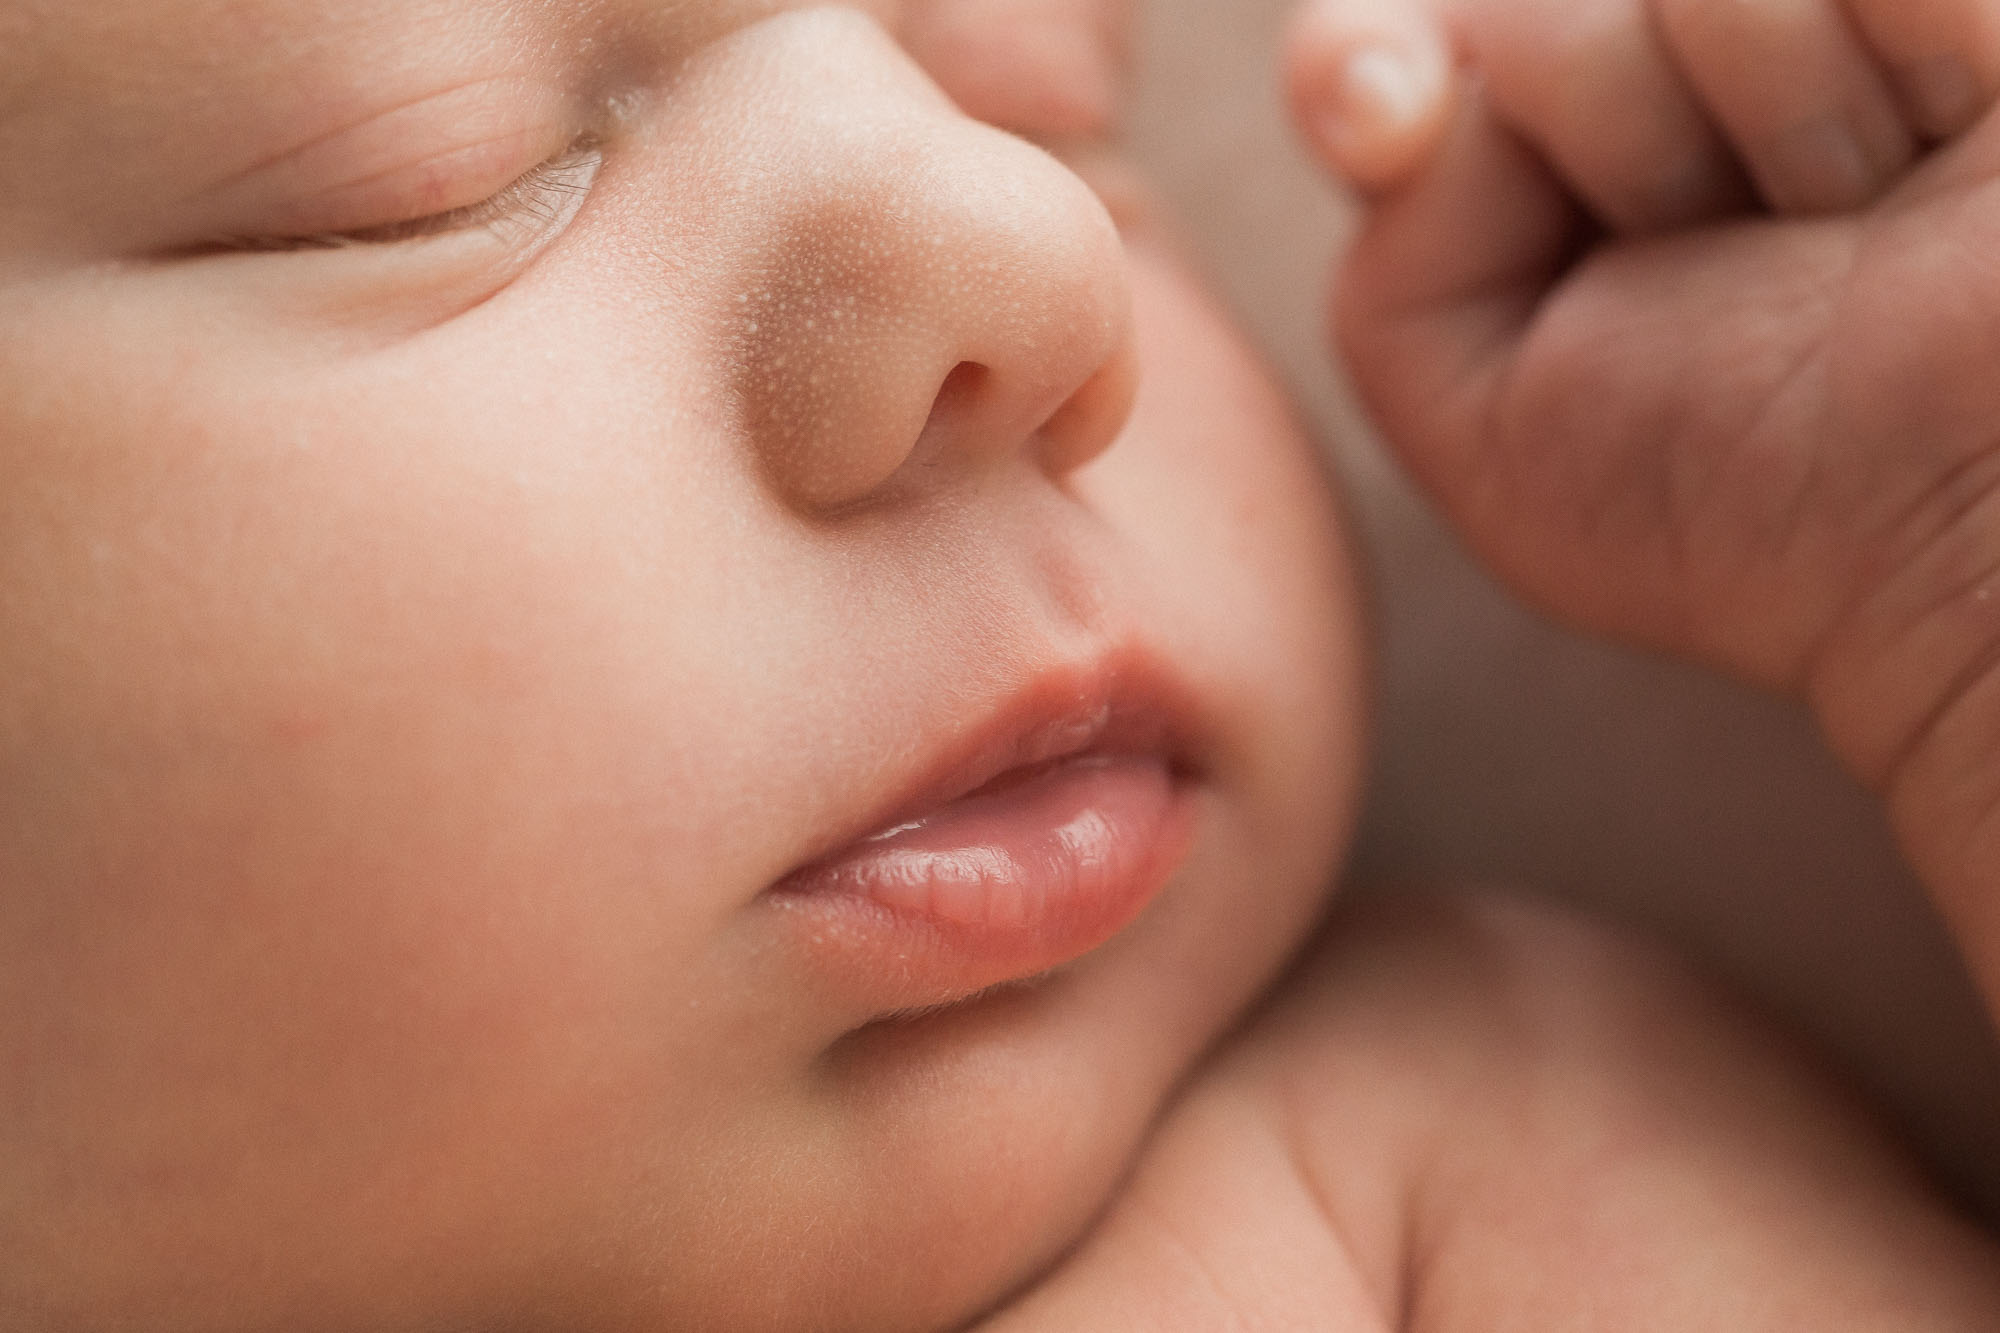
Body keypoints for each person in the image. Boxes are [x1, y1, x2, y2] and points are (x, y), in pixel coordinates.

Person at [0, 1, 1993, 1330]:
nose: (1034, 260)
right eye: (419, 179)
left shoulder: (1438, 1185)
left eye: (1043, 105)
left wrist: (1959, 564)